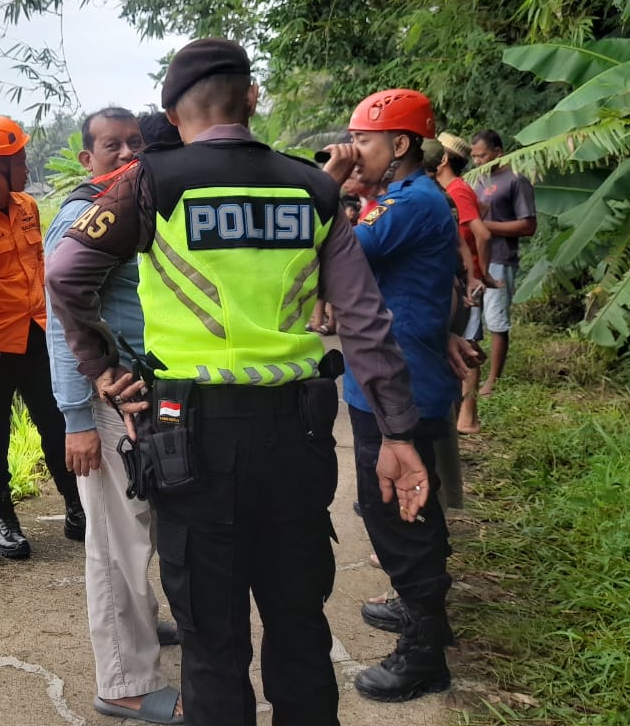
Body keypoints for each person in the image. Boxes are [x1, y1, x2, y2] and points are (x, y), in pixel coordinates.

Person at [48, 39, 431, 726]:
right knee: (298, 624)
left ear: (170, 110)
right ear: (252, 98)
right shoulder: (312, 187)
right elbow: (367, 322)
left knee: (213, 641)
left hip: (187, 438)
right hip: (297, 437)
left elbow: (64, 274)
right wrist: (398, 431)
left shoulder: (150, 182)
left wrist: (102, 369)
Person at [44, 106, 184, 725]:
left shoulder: (135, 208)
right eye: (110, 146)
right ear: (86, 157)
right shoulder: (82, 216)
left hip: (142, 394)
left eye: (134, 143)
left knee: (141, 528)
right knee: (116, 542)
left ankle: (141, 633)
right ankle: (124, 682)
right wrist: (75, 417)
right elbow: (60, 322)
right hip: (105, 403)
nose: (126, 154)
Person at [322, 88, 461, 702]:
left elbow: (337, 253)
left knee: (398, 511)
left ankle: (425, 653)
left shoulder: (410, 203)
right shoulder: (404, 199)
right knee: (408, 508)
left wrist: (331, 186)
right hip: (391, 376)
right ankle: (421, 609)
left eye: (368, 143)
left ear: (400, 145)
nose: (357, 153)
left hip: (398, 383)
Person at [0, 114, 83, 558]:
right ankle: (2, 518)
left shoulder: (27, 208)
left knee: (56, 421)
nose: (28, 169)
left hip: (38, 333)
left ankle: (75, 506)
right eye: (21, 161)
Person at [430, 132, 496, 434]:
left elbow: (481, 233)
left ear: (442, 159)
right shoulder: (450, 190)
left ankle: (468, 415)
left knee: (467, 345)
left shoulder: (456, 190)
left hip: (465, 282)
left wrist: (478, 274)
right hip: (459, 279)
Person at [470, 129, 537, 398]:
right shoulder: (477, 179)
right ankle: (471, 377)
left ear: (499, 151)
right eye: (474, 156)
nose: (477, 161)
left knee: (496, 321)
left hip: (500, 258)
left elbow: (529, 225)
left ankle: (493, 380)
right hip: (475, 260)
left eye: (482, 155)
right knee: (472, 320)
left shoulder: (516, 180)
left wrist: (486, 226)